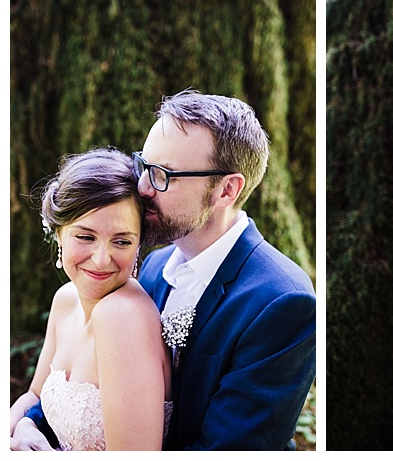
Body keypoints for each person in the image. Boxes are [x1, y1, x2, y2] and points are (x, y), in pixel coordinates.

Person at [15, 89, 316, 450]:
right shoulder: (152, 267)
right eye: (145, 165)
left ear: (226, 190)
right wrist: (29, 427)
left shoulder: (282, 301)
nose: (141, 187)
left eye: (163, 175)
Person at [9, 148, 172, 451]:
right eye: (85, 237)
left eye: (121, 241)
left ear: (138, 246)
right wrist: (18, 427)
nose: (100, 260)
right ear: (58, 234)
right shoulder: (66, 300)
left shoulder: (124, 316)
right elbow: (34, 396)